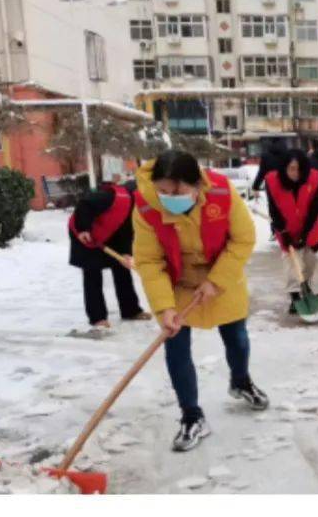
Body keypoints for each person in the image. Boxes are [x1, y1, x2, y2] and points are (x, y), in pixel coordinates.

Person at [132, 149, 268, 453]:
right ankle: (191, 415)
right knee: (176, 345)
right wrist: (164, 306)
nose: (169, 197)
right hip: (177, 283)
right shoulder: (145, 206)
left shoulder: (221, 191)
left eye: (178, 191)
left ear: (197, 184)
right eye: (163, 191)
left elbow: (243, 239)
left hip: (222, 276)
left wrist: (216, 280)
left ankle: (241, 381)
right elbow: (149, 261)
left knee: (237, 338)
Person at [68, 176, 150, 331]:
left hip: (111, 233)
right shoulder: (112, 197)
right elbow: (85, 204)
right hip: (85, 233)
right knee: (92, 273)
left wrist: (126, 252)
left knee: (122, 269)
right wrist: (84, 228)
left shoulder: (136, 206)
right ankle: (97, 317)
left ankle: (130, 310)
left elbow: (127, 229)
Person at [264, 148, 318, 315]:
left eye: (299, 168)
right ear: (284, 168)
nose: (295, 173)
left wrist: (305, 234)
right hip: (286, 227)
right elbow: (273, 210)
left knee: (311, 258)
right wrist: (284, 233)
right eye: (291, 168)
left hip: (309, 226)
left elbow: (316, 207)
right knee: (292, 262)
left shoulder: (314, 178)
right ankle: (295, 296)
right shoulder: (272, 182)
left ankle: (305, 286)